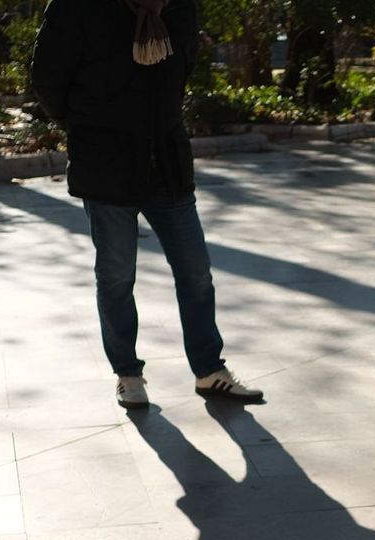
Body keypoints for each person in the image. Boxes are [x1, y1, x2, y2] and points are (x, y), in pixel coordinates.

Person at [31, 0, 262, 410]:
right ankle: (128, 375)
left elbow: (181, 71)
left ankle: (209, 371)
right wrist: (88, 126)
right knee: (117, 276)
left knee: (196, 272)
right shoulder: (77, 6)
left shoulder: (178, 6)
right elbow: (47, 78)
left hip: (166, 162)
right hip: (107, 164)